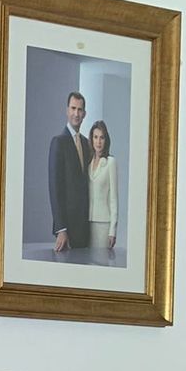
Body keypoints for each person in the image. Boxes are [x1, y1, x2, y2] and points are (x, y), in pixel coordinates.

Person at [48, 91, 92, 253]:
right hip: (67, 228)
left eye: (80, 110)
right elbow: (55, 188)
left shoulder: (87, 144)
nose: (76, 113)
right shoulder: (58, 142)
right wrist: (61, 229)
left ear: (84, 114)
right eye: (73, 108)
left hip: (85, 227)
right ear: (67, 110)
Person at [87, 119, 118, 252]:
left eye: (102, 138)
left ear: (106, 140)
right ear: (91, 139)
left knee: (101, 262)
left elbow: (113, 199)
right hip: (87, 222)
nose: (98, 142)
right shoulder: (88, 162)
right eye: (95, 137)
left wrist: (112, 230)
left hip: (103, 224)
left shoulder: (110, 162)